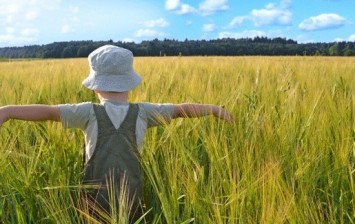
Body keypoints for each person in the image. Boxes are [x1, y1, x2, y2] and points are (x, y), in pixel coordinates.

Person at [0, 45, 234, 223]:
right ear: (130, 83)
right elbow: (181, 110)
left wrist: (9, 111)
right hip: (133, 198)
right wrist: (213, 109)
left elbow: (48, 113)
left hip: (93, 201)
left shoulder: (87, 113)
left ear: (96, 85)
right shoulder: (144, 112)